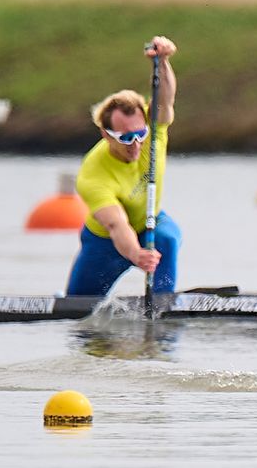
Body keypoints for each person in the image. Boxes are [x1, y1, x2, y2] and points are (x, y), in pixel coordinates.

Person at [66, 36, 181, 297]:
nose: (136, 144)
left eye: (139, 134)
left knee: (168, 238)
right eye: (125, 138)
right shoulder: (93, 175)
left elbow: (165, 99)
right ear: (106, 135)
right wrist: (136, 255)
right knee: (79, 305)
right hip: (105, 242)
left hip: (151, 224)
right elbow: (117, 225)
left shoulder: (153, 133)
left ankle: (164, 305)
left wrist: (162, 62)